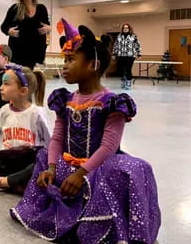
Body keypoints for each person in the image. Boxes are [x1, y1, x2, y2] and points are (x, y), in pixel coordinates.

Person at [10, 18, 160, 244]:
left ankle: (97, 221)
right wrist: (51, 167)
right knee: (43, 155)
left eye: (71, 60)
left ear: (93, 65)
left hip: (99, 165)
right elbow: (58, 137)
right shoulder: (65, 99)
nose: (65, 66)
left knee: (132, 169)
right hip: (70, 161)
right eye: (65, 60)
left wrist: (81, 174)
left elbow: (109, 146)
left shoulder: (112, 102)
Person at [0, 64, 51, 193]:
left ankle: (1, 182)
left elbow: (50, 144)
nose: (0, 88)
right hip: (10, 160)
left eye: (6, 84)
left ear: (23, 91)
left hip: (29, 161)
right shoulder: (4, 111)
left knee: (38, 166)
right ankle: (14, 183)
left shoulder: (36, 113)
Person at [0, 0, 51, 69]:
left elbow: (47, 26)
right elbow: (3, 27)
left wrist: (48, 29)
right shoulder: (14, 8)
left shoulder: (41, 9)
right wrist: (9, 31)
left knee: (30, 78)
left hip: (35, 51)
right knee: (19, 78)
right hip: (18, 50)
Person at [112, 23, 142, 90]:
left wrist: (139, 53)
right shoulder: (119, 36)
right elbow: (115, 45)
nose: (125, 29)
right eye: (124, 28)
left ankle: (128, 82)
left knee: (128, 69)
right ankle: (123, 81)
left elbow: (137, 45)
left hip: (130, 56)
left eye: (127, 28)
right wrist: (114, 54)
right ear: (122, 29)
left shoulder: (133, 36)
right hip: (120, 55)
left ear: (129, 29)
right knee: (121, 70)